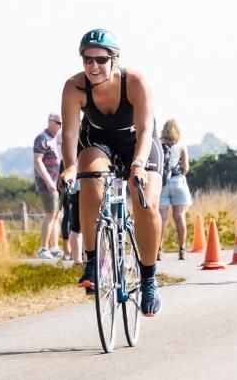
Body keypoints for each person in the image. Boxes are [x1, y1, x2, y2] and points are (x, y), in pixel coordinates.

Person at [59, 29, 164, 317]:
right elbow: (69, 134)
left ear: (114, 60)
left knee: (144, 201)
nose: (93, 67)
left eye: (101, 60)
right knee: (89, 180)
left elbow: (144, 130)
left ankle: (149, 279)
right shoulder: (74, 87)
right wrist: (69, 165)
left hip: (137, 142)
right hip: (98, 141)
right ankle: (92, 261)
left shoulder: (135, 82)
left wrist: (139, 165)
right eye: (87, 60)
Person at [157, 118, 191, 260]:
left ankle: (158, 249)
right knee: (179, 216)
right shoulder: (181, 144)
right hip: (178, 182)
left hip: (161, 183)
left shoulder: (158, 143)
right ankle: (182, 249)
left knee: (161, 218)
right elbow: (186, 167)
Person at [33, 113, 63, 259]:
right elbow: (38, 161)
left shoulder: (54, 139)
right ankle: (43, 248)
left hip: (56, 182)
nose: (59, 126)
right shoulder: (42, 138)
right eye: (58, 123)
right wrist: (48, 181)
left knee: (56, 214)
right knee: (50, 213)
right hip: (47, 183)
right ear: (50, 122)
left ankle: (54, 247)